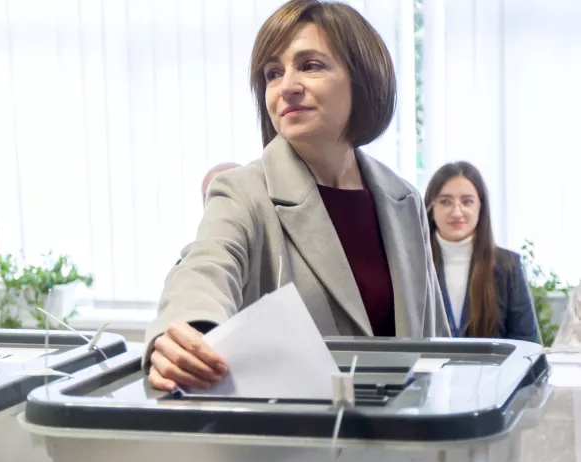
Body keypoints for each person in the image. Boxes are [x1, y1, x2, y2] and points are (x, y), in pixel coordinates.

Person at [144, 0, 449, 392]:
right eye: (273, 73)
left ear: (362, 79)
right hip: (300, 443)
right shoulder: (242, 192)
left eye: (310, 65)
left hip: (404, 440)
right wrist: (190, 330)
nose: (286, 87)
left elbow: (437, 340)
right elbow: (205, 268)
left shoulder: (404, 200)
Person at [424, 162, 539, 342]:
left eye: (467, 201)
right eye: (445, 201)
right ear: (431, 209)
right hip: (428, 370)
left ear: (481, 207)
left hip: (495, 371)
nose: (456, 212)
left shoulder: (508, 265)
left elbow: (526, 344)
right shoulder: (414, 266)